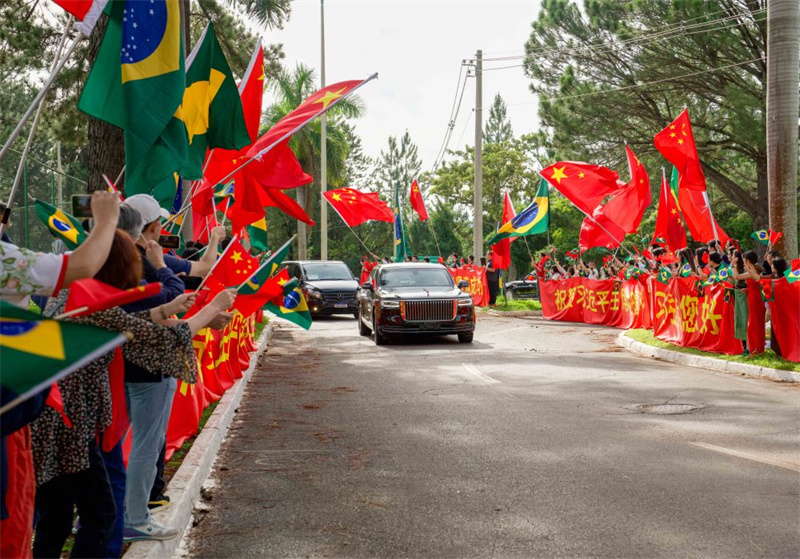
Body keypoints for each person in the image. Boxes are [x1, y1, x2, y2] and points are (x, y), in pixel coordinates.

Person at [31, 230, 237, 556]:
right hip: (70, 426)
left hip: (53, 418)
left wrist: (165, 309)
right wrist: (212, 308)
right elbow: (163, 338)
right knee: (100, 514)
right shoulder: (90, 299)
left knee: (55, 518)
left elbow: (123, 322)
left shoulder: (80, 292)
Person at [0, 191, 120, 559]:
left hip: (27, 409)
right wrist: (106, 219)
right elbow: (82, 265)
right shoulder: (5, 262)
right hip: (15, 412)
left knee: (50, 517)